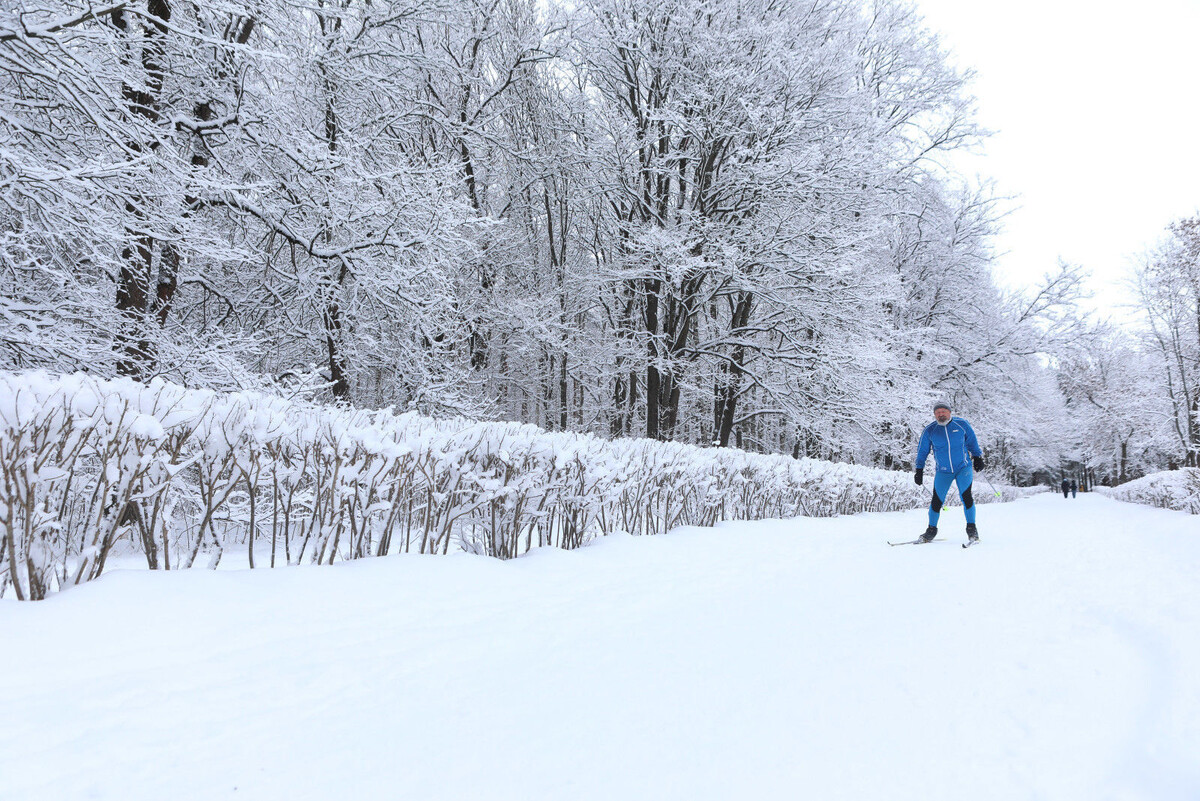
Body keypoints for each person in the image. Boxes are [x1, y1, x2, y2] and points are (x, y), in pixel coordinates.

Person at [914, 401, 985, 543]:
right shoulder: (930, 430)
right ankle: (931, 530)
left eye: (943, 411)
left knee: (966, 497)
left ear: (949, 412)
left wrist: (977, 457)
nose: (941, 414)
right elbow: (922, 451)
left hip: (963, 468)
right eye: (937, 412)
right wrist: (919, 469)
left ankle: (972, 529)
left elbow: (972, 441)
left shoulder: (962, 424)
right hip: (943, 471)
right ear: (935, 415)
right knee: (936, 501)